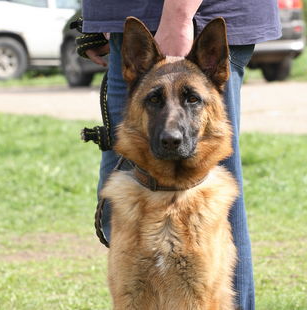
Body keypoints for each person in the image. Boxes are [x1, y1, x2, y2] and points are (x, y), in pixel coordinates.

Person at [80, 1, 281, 309]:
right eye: (156, 101)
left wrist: (178, 15)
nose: (171, 132)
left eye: (191, 100)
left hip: (187, 16)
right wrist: (97, 18)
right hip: (130, 24)